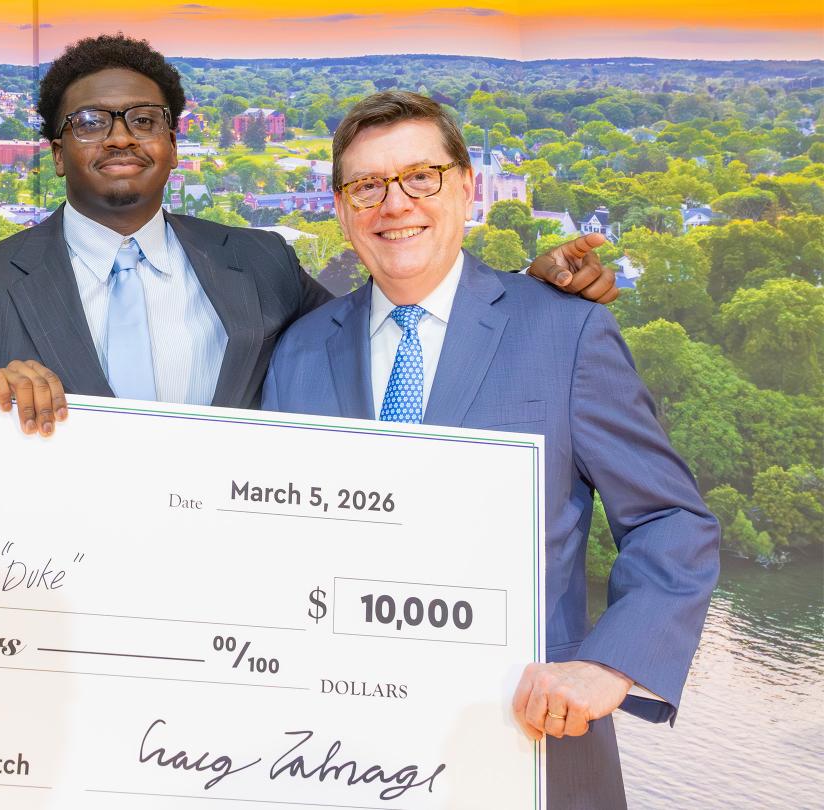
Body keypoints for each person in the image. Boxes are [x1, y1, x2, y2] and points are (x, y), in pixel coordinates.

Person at [262, 91, 719, 809]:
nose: (395, 204)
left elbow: (671, 521)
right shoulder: (298, 353)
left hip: (531, 749)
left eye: (421, 177)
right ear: (344, 208)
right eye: (367, 186)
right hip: (335, 756)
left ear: (467, 186)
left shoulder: (566, 334)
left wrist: (608, 666)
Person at [0, 34, 618, 422]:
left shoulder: (261, 264)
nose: (121, 138)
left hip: (242, 633)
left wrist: (525, 292)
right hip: (60, 630)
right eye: (91, 121)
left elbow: (387, 327)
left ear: (173, 143)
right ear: (57, 151)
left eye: (145, 119)